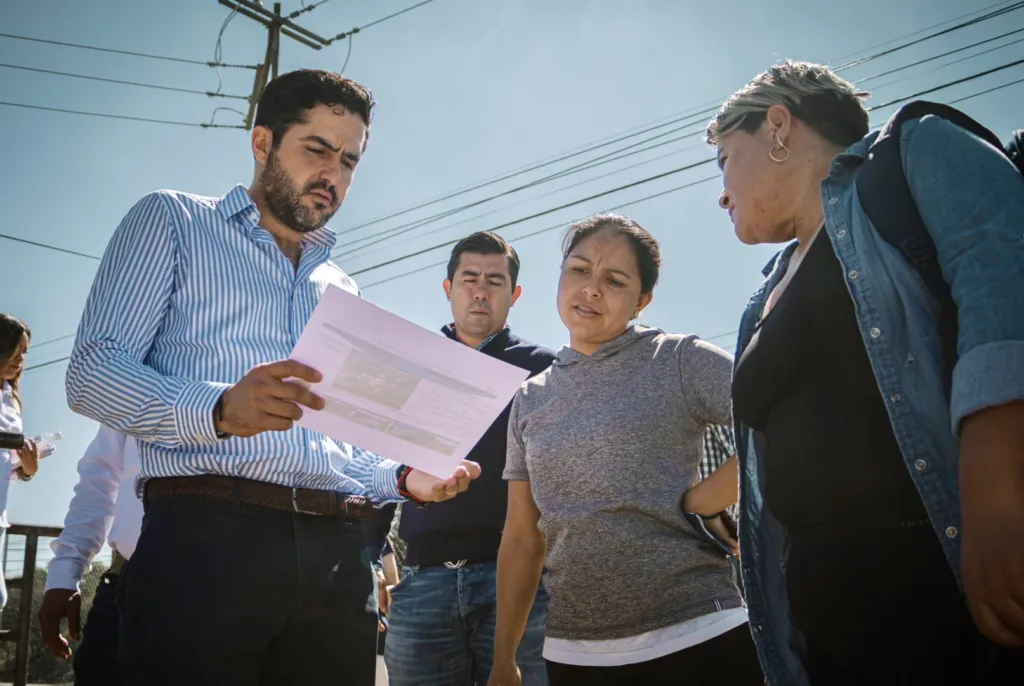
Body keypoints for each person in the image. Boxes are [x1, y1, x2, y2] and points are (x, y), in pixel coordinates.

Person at [64, 69, 480, 686]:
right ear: (262, 143)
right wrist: (220, 408)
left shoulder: (339, 286)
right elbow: (92, 371)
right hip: (204, 543)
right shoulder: (173, 221)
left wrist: (402, 476)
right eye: (316, 149)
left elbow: (339, 446)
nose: (332, 174)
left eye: (348, 160)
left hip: (338, 556)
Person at [707, 60, 1024, 685]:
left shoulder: (912, 150)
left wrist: (999, 500)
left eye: (723, 161)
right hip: (825, 619)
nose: (721, 191)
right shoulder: (759, 301)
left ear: (777, 125)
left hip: (947, 579)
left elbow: (1005, 296)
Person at [488, 215, 763, 686]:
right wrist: (503, 658)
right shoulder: (530, 398)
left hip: (699, 633)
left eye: (614, 280)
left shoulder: (677, 358)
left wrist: (706, 499)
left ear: (641, 301)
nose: (591, 288)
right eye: (578, 270)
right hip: (575, 654)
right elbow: (521, 536)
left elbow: (780, 411)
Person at [367, 232, 556, 686]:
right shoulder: (414, 365)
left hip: (520, 584)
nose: (480, 290)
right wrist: (369, 557)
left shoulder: (545, 369)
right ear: (448, 288)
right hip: (422, 582)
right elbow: (379, 459)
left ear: (514, 295)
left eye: (494, 280)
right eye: (469, 278)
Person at [39, 426, 140, 684]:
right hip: (126, 585)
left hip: (237, 586)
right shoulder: (130, 388)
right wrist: (65, 572)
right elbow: (101, 480)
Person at [0, 314, 40, 609]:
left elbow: (7, 463)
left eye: (24, 351)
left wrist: (27, 468)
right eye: (15, 349)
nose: (20, 358)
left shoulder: (12, 399)